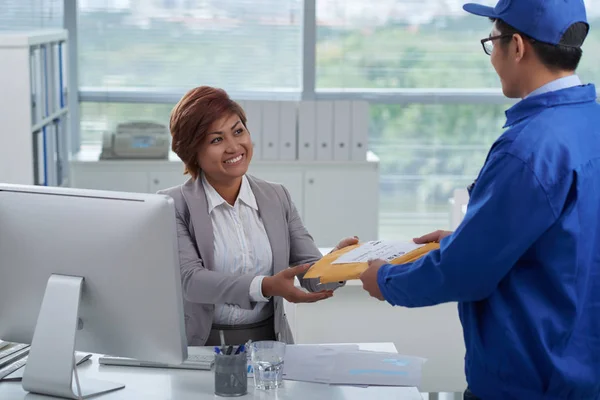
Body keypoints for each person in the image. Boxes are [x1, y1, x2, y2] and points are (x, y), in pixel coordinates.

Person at [359, 0, 600, 399]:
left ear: (517, 46)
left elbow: (466, 272)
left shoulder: (528, 147)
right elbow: (565, 242)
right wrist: (465, 236)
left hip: (528, 382)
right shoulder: (589, 125)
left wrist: (386, 280)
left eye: (493, 41)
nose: (493, 57)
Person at [159, 86, 357, 347]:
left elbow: (310, 274)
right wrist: (265, 286)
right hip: (199, 346)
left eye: (238, 131)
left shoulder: (277, 196)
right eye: (216, 140)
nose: (234, 147)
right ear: (192, 151)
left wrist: (338, 264)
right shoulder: (173, 204)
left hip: (268, 347)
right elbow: (192, 282)